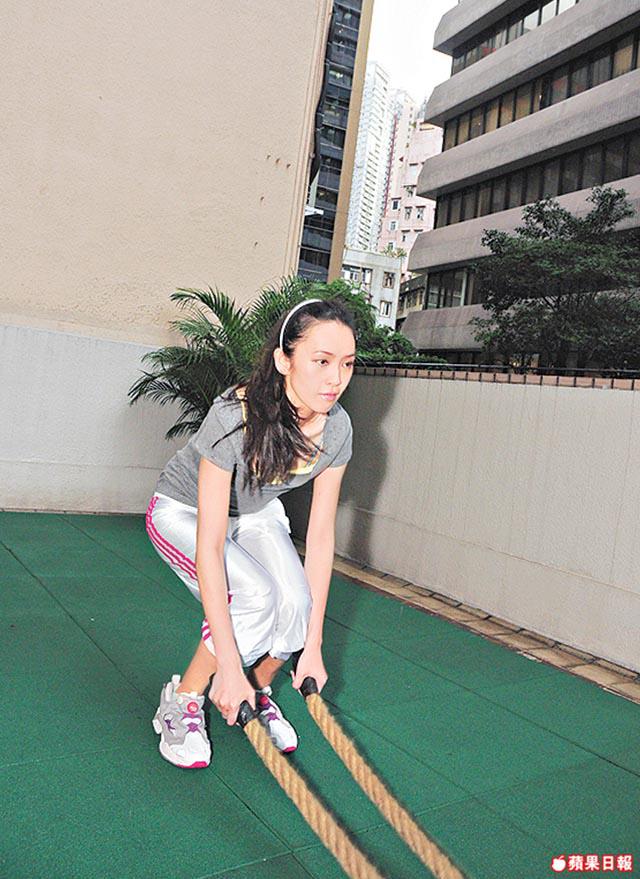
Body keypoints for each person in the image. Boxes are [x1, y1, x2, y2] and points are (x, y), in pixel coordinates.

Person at [146, 297, 356, 768]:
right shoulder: (234, 415)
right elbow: (210, 543)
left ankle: (255, 691)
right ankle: (183, 699)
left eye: (347, 364)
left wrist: (313, 648)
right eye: (321, 361)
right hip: (184, 513)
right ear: (284, 360)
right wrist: (226, 667)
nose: (335, 379)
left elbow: (321, 538)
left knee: (297, 604)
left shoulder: (338, 429)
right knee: (257, 596)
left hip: (256, 513)